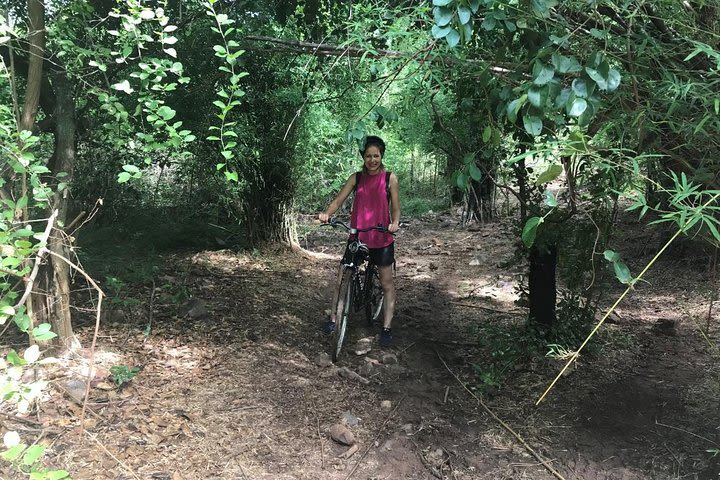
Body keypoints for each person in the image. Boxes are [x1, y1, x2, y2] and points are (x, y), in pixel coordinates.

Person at [319, 136, 400, 347]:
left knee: (386, 283)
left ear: (381, 156)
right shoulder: (356, 178)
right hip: (359, 235)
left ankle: (386, 328)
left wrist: (395, 222)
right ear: (363, 157)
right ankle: (333, 320)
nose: (372, 160)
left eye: (376, 156)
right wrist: (326, 213)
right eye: (368, 156)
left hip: (381, 236)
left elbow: (396, 208)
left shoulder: (390, 178)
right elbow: (339, 200)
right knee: (341, 277)